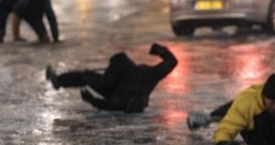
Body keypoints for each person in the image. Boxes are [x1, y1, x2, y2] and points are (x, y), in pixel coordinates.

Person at [187, 73, 275, 145]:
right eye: (272, 102)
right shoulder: (247, 104)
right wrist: (223, 142)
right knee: (239, 111)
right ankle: (206, 118)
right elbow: (229, 125)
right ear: (265, 97)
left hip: (253, 107)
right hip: (252, 125)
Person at [46, 43, 177, 112]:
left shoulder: (124, 99)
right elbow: (172, 62)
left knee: (87, 77)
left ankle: (59, 81)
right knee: (87, 77)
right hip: (115, 84)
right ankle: (59, 81)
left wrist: (92, 100)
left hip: (112, 87)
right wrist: (160, 50)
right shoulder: (150, 77)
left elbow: (109, 105)